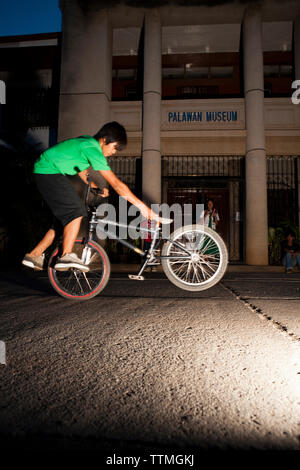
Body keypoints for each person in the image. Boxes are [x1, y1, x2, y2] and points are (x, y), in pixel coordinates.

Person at [22, 121, 159, 272]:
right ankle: (66, 255)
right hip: (48, 171)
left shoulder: (86, 143)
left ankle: (34, 255)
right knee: (76, 211)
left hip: (46, 172)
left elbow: (81, 169)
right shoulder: (91, 148)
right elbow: (116, 184)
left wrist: (94, 187)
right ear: (104, 140)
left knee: (62, 223)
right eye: (114, 148)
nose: (114, 152)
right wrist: (143, 208)